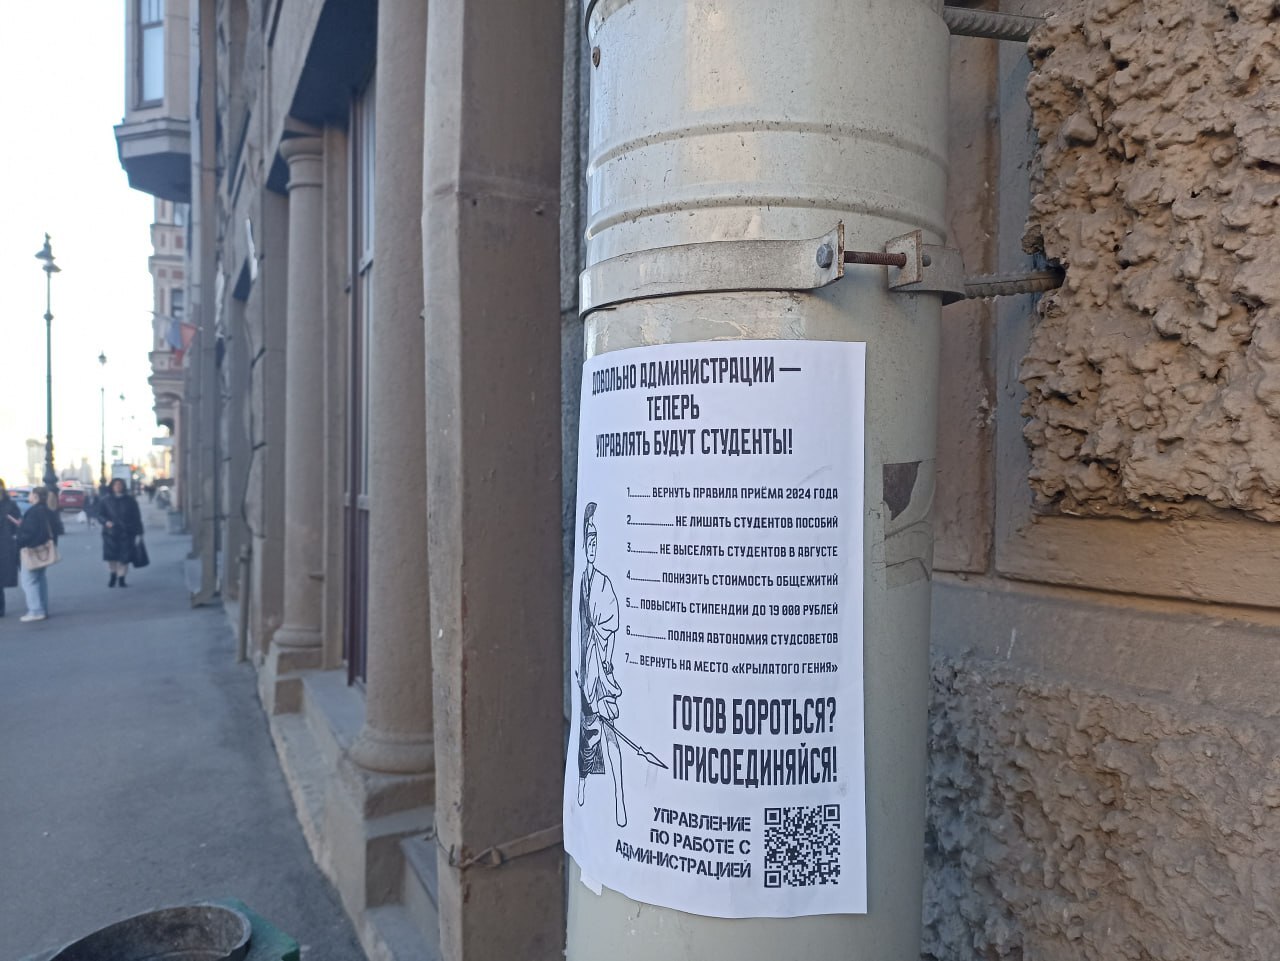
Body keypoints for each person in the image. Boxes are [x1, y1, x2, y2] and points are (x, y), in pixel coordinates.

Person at [575, 501, 627, 827]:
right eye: (589, 540)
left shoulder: (604, 584)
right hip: (585, 670)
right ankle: (582, 786)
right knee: (586, 734)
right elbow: (582, 627)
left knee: (610, 733)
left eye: (596, 540)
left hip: (601, 671)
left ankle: (620, 797)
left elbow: (610, 625)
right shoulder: (582, 580)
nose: (592, 547)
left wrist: (605, 663)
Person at [13, 486, 63, 622]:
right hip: (45, 550)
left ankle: (35, 610)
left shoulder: (33, 512)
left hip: (32, 551)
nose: (29, 496)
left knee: (29, 581)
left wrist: (19, 538)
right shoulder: (48, 511)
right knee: (40, 579)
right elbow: (55, 530)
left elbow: (30, 533)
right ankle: (42, 608)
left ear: (35, 496)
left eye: (30, 494)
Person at [97, 477, 144, 587]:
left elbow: (137, 517)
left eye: (120, 485)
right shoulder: (105, 500)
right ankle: (113, 574)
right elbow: (99, 515)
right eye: (116, 485)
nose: (118, 487)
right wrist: (106, 522)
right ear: (112, 487)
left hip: (127, 532)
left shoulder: (130, 500)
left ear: (123, 486)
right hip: (110, 533)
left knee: (125, 557)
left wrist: (139, 532)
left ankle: (121, 577)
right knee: (112, 557)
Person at [0, 481, 21, 617]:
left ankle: (0, 608)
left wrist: (13, 536)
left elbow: (17, 523)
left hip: (4, 545)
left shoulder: (10, 505)